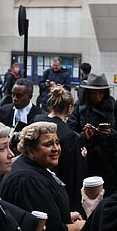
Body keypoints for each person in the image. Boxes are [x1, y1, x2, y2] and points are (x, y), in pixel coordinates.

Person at [67, 73, 117, 197]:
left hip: (112, 163)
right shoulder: (80, 108)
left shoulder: (116, 107)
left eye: (100, 93)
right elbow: (70, 132)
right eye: (93, 93)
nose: (97, 96)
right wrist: (84, 136)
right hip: (87, 163)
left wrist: (111, 134)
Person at [33, 85, 87, 215]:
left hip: (34, 181)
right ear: (69, 109)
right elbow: (72, 175)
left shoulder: (37, 121)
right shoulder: (69, 135)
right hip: (55, 190)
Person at [0, 78, 42, 153]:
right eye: (13, 94)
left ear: (30, 96)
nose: (15, 99)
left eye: (19, 96)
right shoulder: (4, 111)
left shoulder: (39, 116)